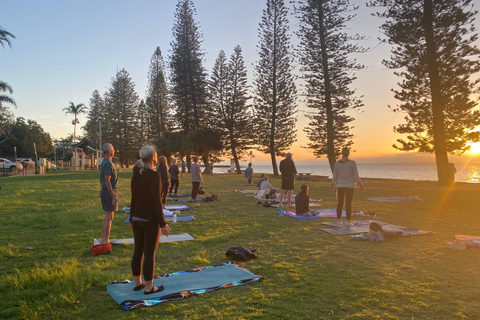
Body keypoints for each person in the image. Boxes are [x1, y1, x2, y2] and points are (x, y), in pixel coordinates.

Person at [130, 145, 171, 294]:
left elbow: (133, 197)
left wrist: (131, 218)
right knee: (148, 254)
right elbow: (156, 202)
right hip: (149, 220)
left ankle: (137, 283)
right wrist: (162, 224)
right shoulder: (154, 176)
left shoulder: (136, 172)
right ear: (153, 158)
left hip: (136, 218)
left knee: (138, 251)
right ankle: (148, 287)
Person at [330, 147, 366, 223]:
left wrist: (332, 185)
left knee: (340, 203)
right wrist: (362, 186)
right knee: (348, 203)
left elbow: (335, 175)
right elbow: (356, 176)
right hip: (350, 186)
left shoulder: (337, 164)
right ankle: (348, 221)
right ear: (348, 153)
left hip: (340, 186)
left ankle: (339, 220)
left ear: (342, 153)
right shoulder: (352, 163)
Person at [99, 143, 118, 245]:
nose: (114, 151)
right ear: (109, 151)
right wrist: (113, 196)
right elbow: (107, 181)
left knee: (109, 216)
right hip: (108, 191)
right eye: (113, 149)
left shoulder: (105, 162)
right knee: (108, 216)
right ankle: (104, 240)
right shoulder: (108, 164)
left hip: (106, 191)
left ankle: (105, 239)